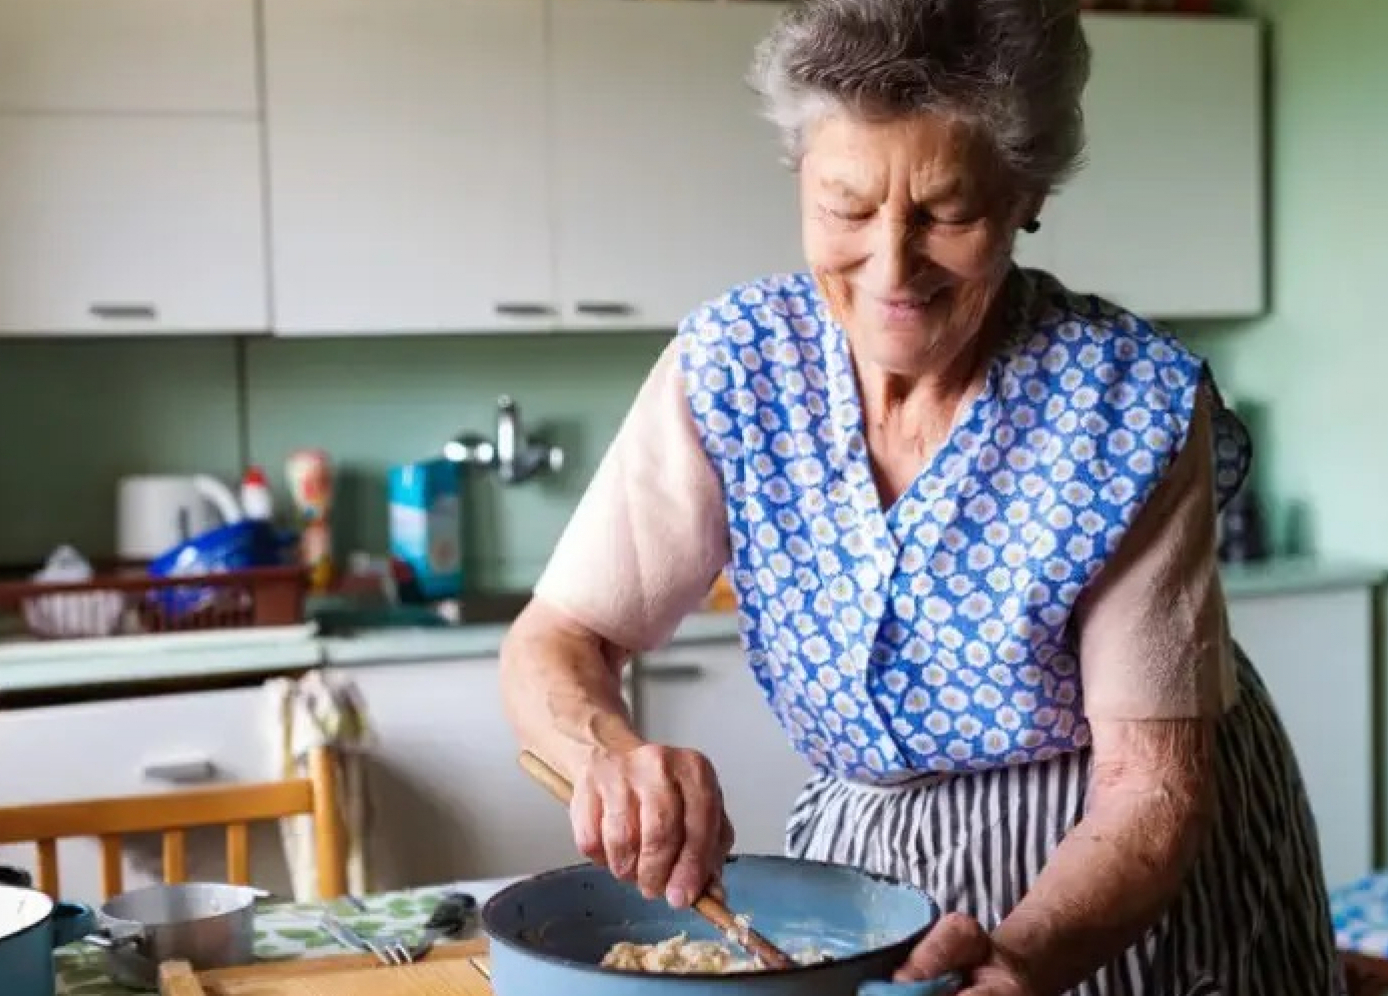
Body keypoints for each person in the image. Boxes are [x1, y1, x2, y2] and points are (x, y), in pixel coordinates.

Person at [498, 0, 1342, 992]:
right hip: (875, 868)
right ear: (800, 179)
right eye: (846, 209)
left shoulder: (1128, 403)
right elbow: (555, 639)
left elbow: (1147, 790)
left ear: (1026, 192)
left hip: (1127, 882)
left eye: (946, 213)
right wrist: (608, 754)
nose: (891, 268)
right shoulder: (730, 365)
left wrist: (1026, 955)